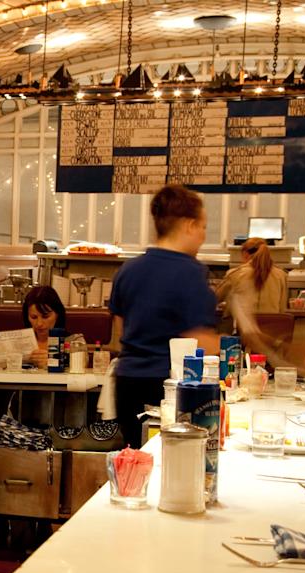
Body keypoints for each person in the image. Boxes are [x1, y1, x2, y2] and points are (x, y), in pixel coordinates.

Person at [108, 185, 219, 448]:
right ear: (190, 225)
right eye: (203, 227)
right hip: (169, 389)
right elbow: (200, 342)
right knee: (175, 463)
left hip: (126, 384)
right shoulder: (191, 274)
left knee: (137, 460)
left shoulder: (127, 270)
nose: (203, 236)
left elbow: (118, 336)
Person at [215, 237, 287, 348]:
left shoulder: (236, 274)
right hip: (271, 338)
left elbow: (215, 298)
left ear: (245, 254)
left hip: (243, 338)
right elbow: (282, 309)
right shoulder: (281, 275)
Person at [21, 285, 66, 368]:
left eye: (45, 317)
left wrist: (53, 361)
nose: (39, 323)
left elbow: (82, 364)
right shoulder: (19, 342)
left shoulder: (74, 341)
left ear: (57, 314)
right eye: (34, 317)